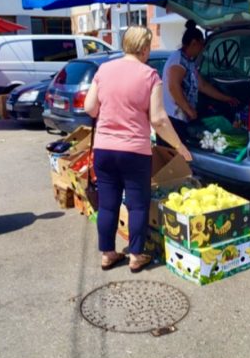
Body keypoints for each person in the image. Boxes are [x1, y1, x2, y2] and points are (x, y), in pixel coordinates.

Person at [83, 26, 193, 273]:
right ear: (144, 49)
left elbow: (90, 107)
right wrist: (179, 146)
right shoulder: (150, 75)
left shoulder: (104, 69)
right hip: (134, 151)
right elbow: (159, 119)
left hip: (104, 149)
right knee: (137, 205)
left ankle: (108, 254)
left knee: (108, 204)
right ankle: (135, 255)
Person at [162, 20, 239, 142]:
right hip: (173, 120)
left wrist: (226, 98)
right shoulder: (178, 61)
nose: (203, 48)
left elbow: (202, 85)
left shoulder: (189, 61)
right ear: (194, 43)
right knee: (175, 158)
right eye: (202, 44)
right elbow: (173, 87)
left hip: (181, 120)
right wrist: (188, 109)